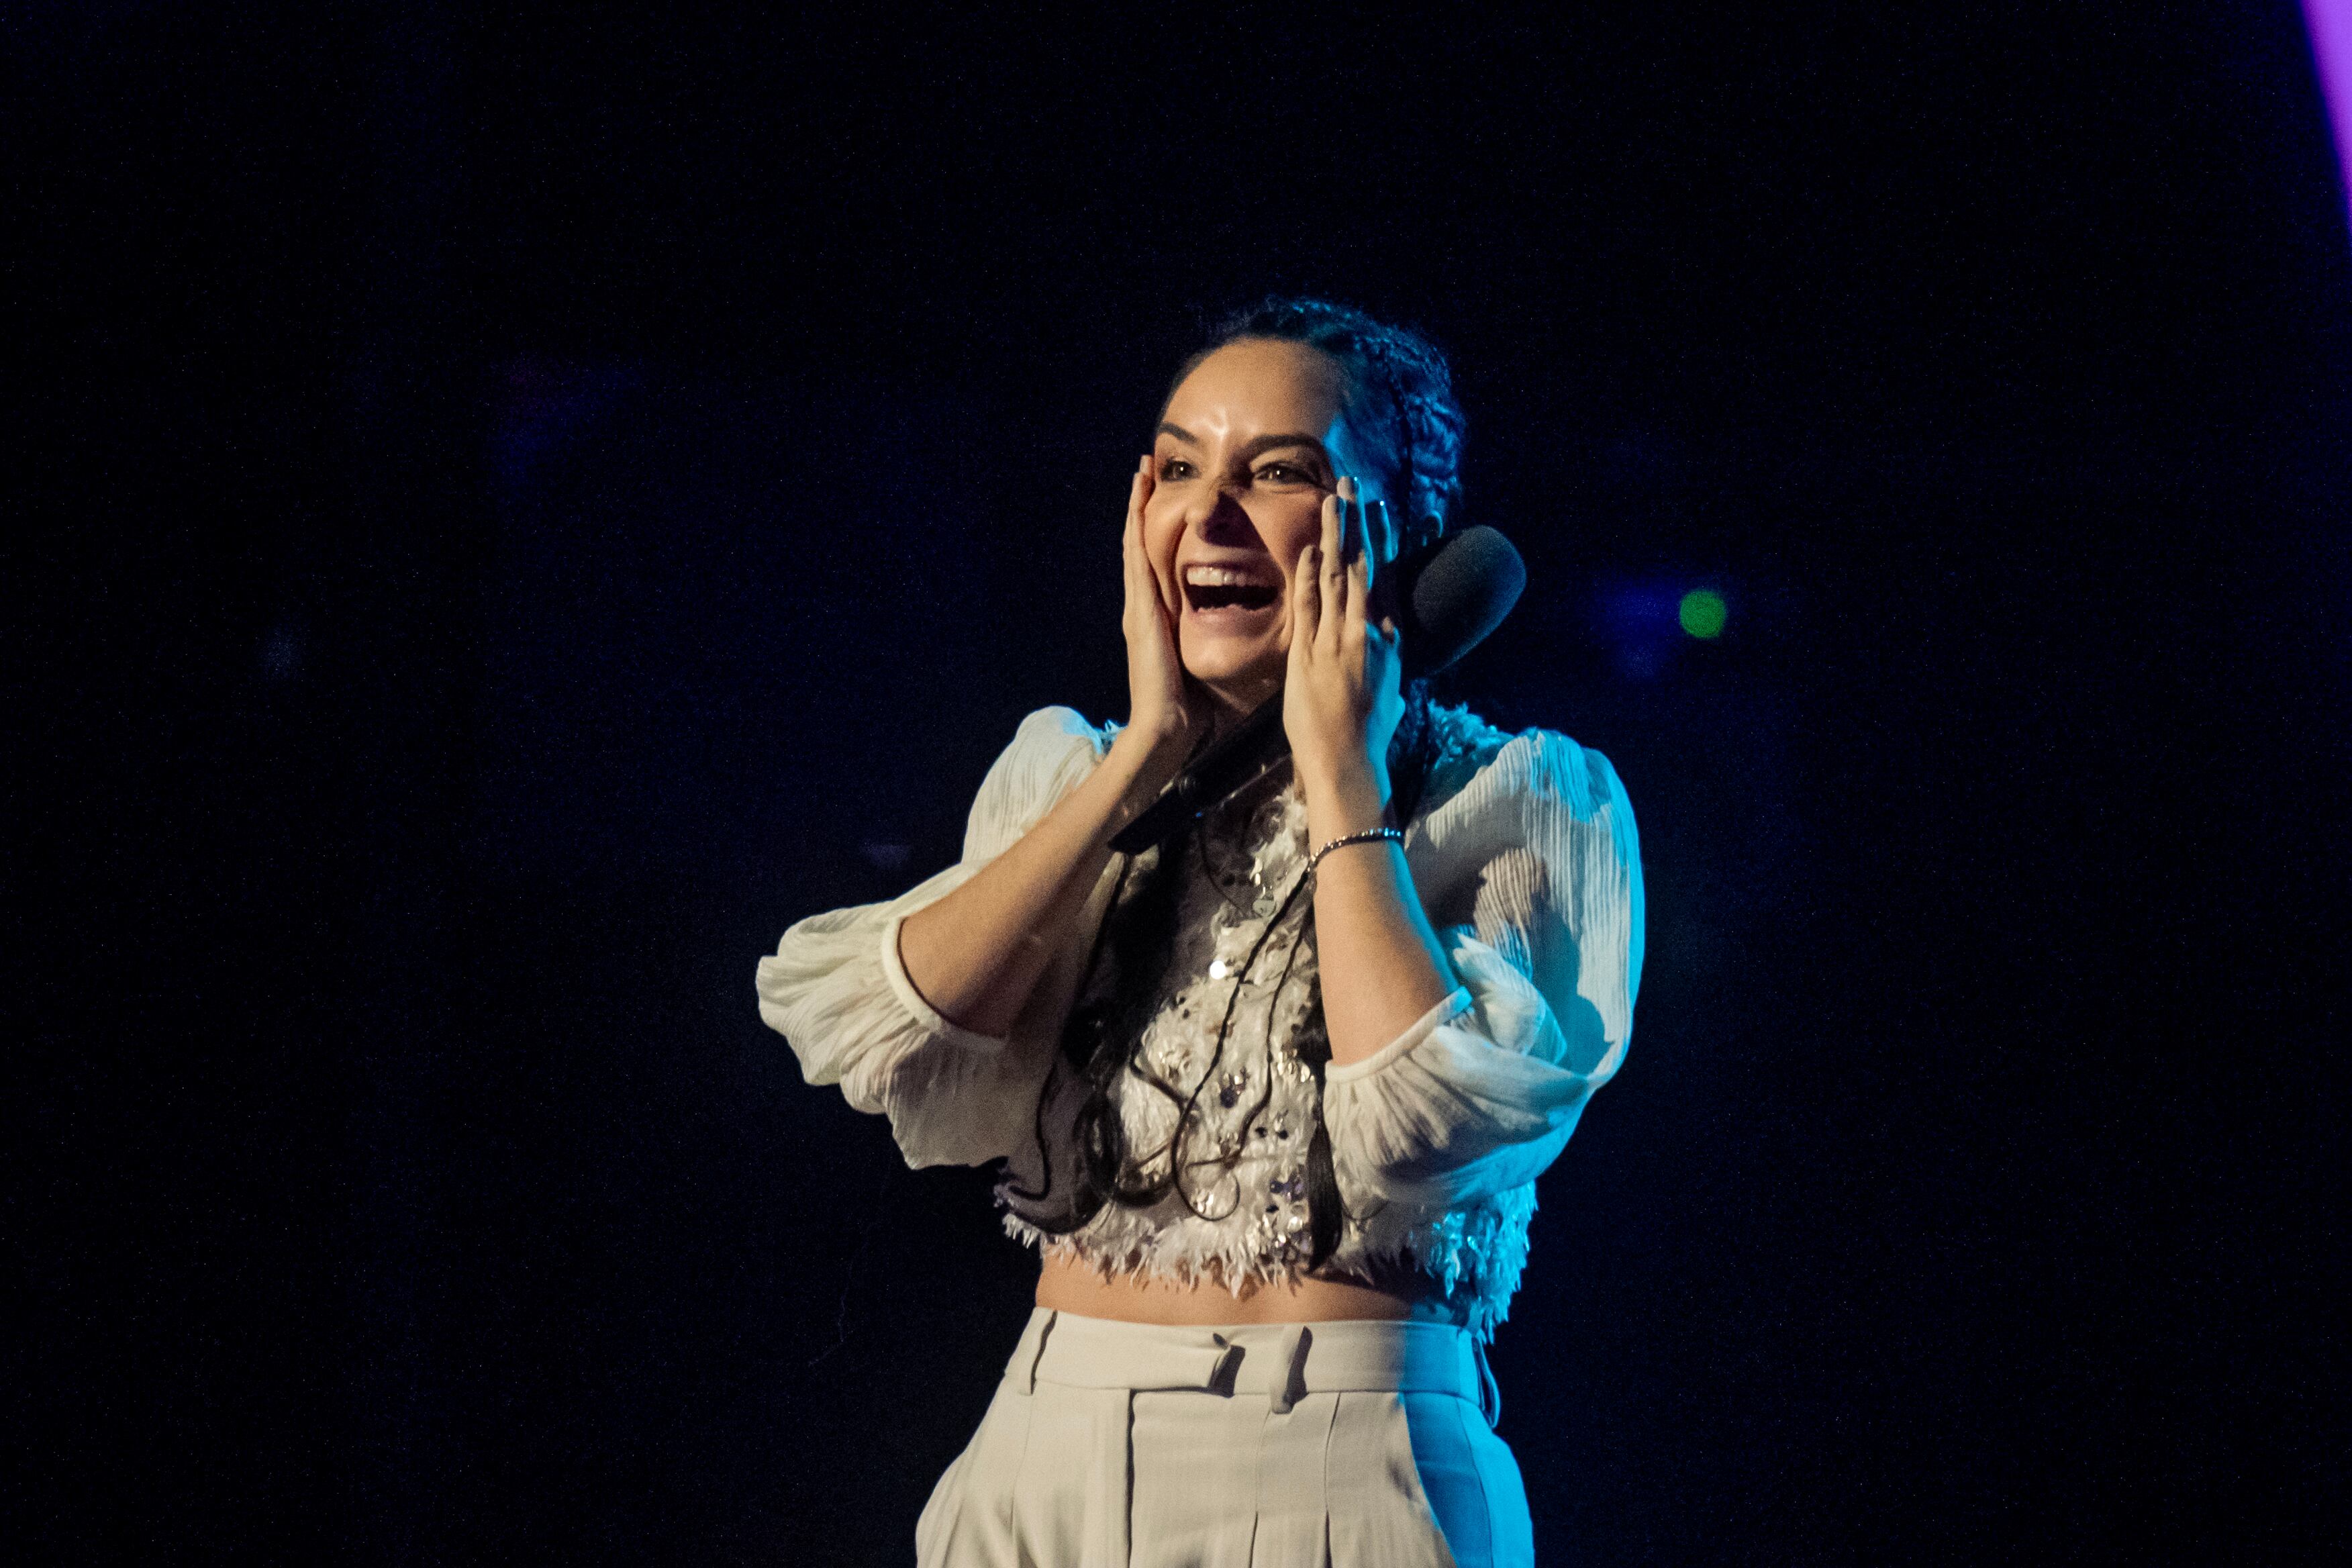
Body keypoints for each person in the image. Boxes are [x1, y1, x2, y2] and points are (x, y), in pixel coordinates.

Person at [756, 299, 1643, 1567]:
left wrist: (1343, 781)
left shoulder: (1519, 805)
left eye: (1278, 472)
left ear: (1405, 535)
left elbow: (1418, 1134)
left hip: (1345, 1468)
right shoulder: (1068, 774)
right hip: (1043, 1457)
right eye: (1178, 468)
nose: (1210, 514)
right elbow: (907, 1057)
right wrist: (1141, 762)